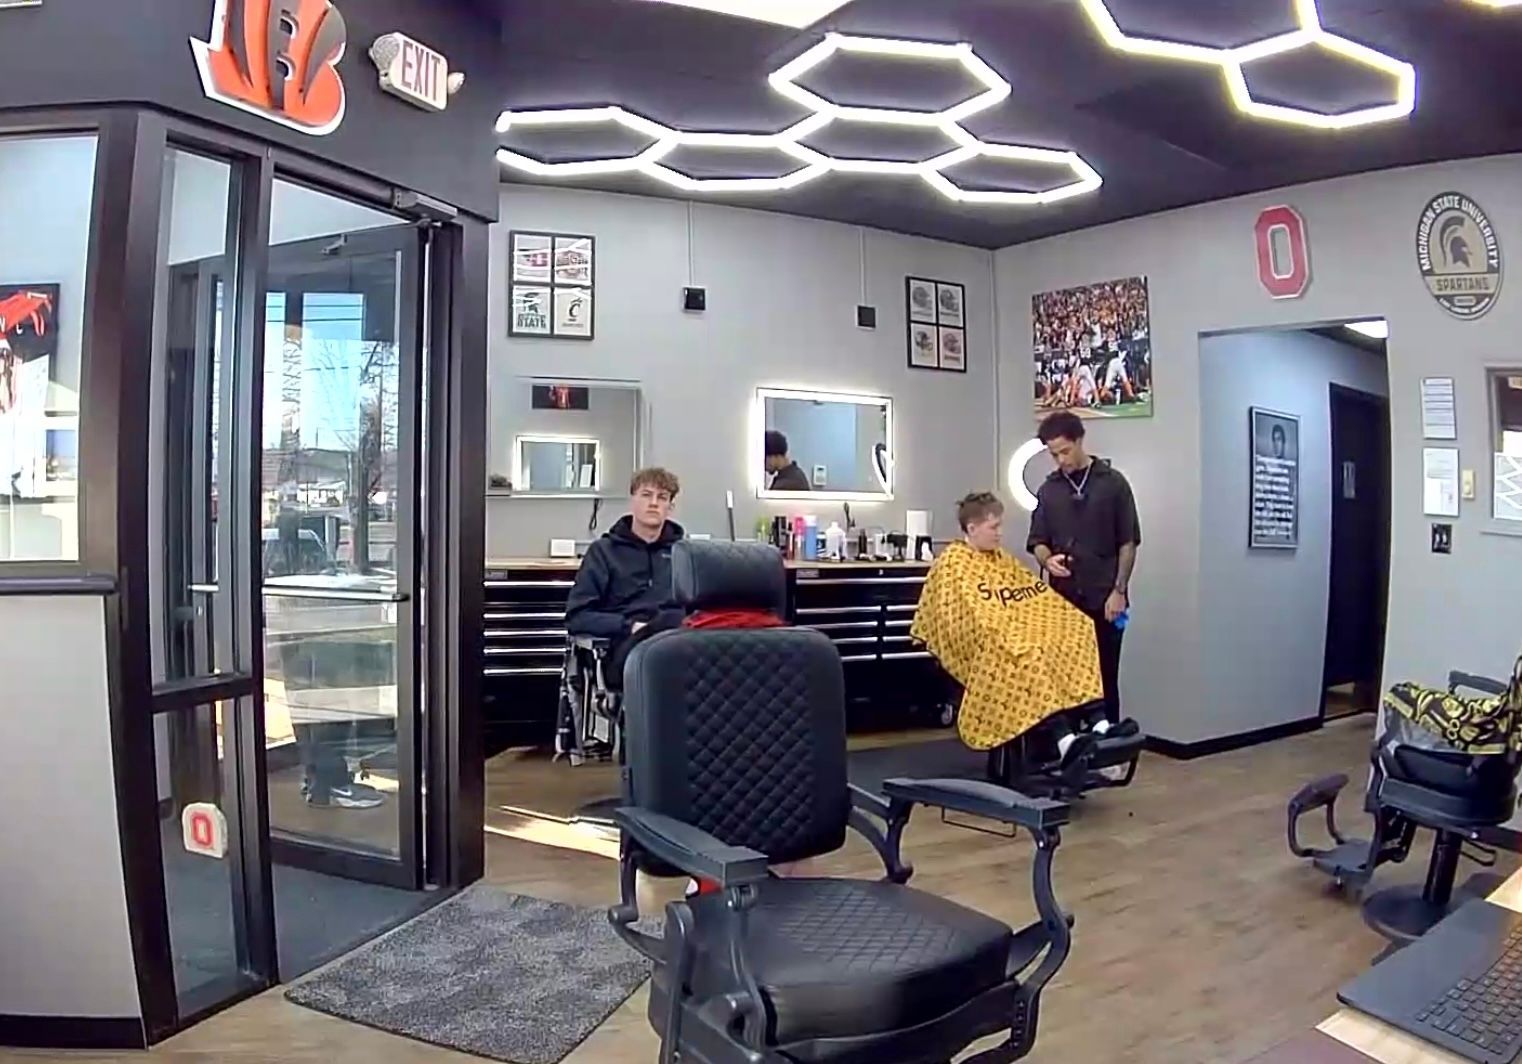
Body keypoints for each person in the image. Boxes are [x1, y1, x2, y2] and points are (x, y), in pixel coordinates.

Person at [1028, 411, 1141, 726]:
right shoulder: (1049, 490)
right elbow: (1037, 541)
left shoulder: (1113, 484)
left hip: (1107, 598)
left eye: (1065, 451)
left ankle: (1109, 750)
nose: (1060, 460)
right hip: (1063, 602)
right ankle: (1072, 748)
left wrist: (1118, 592)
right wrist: (1046, 559)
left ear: (1079, 441)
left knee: (1105, 675)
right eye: (1054, 454)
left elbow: (1128, 542)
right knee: (1066, 677)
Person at [565, 467, 686, 689]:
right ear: (632, 501)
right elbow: (578, 617)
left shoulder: (685, 553)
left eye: (662, 497)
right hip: (623, 649)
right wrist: (629, 626)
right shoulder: (603, 552)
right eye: (646, 495)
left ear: (670, 507)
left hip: (678, 644)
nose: (654, 503)